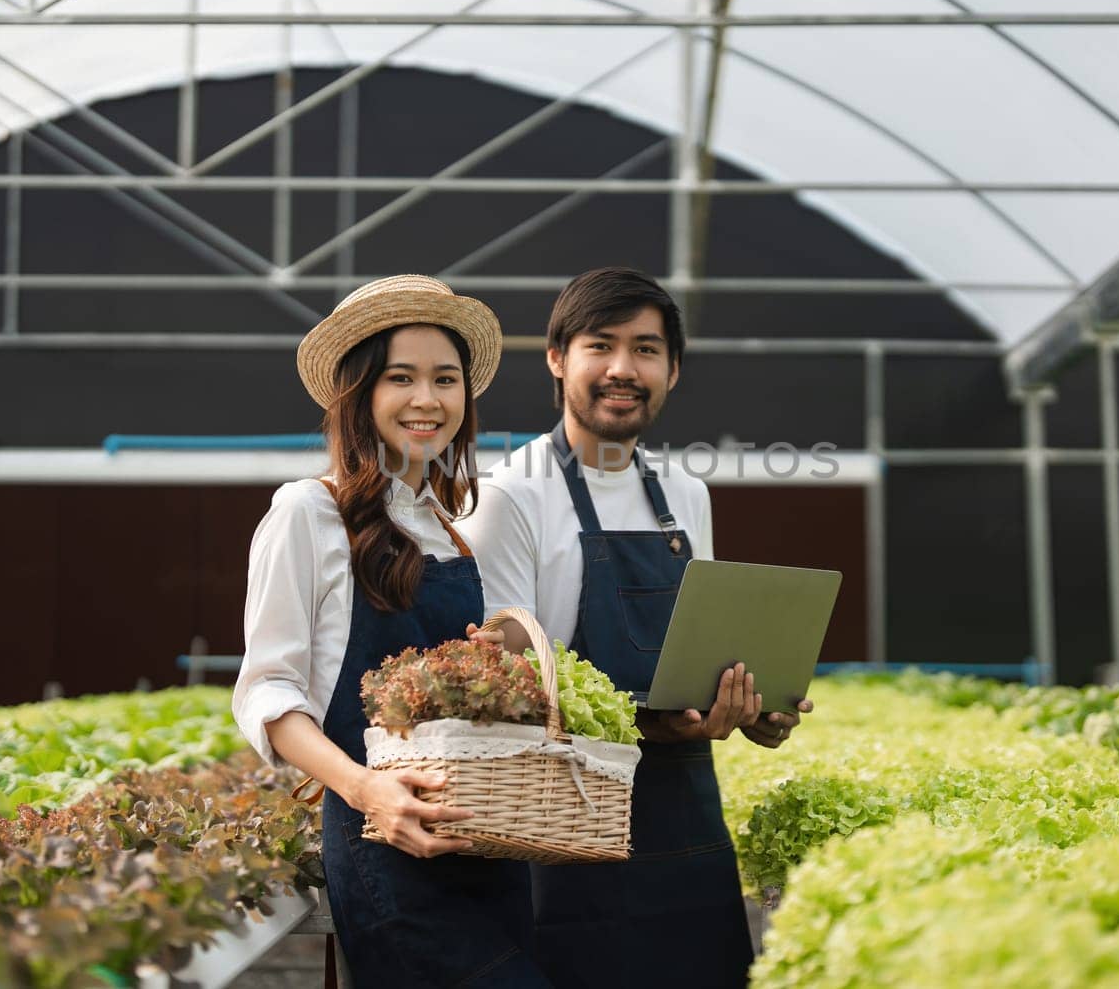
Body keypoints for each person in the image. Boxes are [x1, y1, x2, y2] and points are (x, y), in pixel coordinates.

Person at [460, 266, 811, 988]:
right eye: (601, 345)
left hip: (684, 822)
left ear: (673, 370)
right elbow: (503, 691)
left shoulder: (686, 494)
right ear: (558, 359)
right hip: (565, 827)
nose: (624, 368)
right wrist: (650, 725)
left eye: (647, 349)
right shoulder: (510, 496)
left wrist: (752, 708)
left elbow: (699, 650)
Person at [231, 275, 550, 988]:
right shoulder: (306, 513)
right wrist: (366, 789)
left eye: (446, 378)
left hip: (485, 849)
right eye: (400, 377)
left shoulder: (452, 530)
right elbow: (268, 694)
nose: (427, 399)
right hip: (385, 844)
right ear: (360, 393)